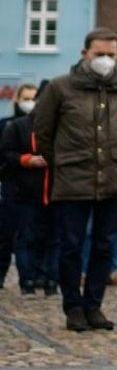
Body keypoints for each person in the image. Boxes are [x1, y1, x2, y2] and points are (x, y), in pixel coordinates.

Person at [34, 30, 117, 332]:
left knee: (105, 245)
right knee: (71, 244)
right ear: (85, 54)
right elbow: (43, 131)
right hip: (73, 178)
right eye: (99, 54)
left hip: (113, 177)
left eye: (111, 54)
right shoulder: (60, 88)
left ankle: (94, 305)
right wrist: (62, 162)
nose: (106, 60)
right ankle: (73, 306)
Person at [0, 83, 54, 296]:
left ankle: (46, 279)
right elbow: (5, 154)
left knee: (49, 239)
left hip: (50, 191)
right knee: (19, 237)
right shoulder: (13, 125)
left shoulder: (56, 126)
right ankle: (25, 280)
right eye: (28, 99)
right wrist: (25, 160)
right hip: (20, 191)